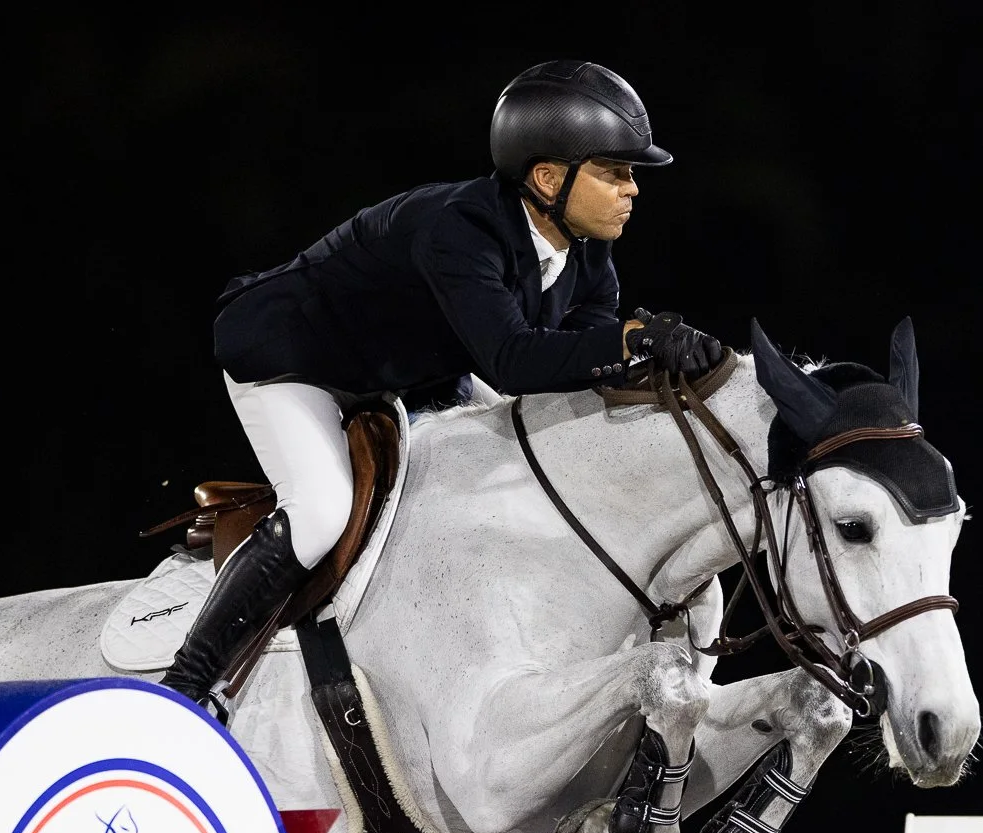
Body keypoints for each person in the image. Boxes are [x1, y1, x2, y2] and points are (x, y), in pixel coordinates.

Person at [166, 60, 726, 713]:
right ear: (549, 178)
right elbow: (515, 362)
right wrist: (633, 340)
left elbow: (578, 354)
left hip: (405, 374)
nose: (633, 190)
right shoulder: (461, 231)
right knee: (322, 509)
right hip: (296, 364)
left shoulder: (586, 246)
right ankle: (187, 683)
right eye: (616, 172)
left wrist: (648, 361)